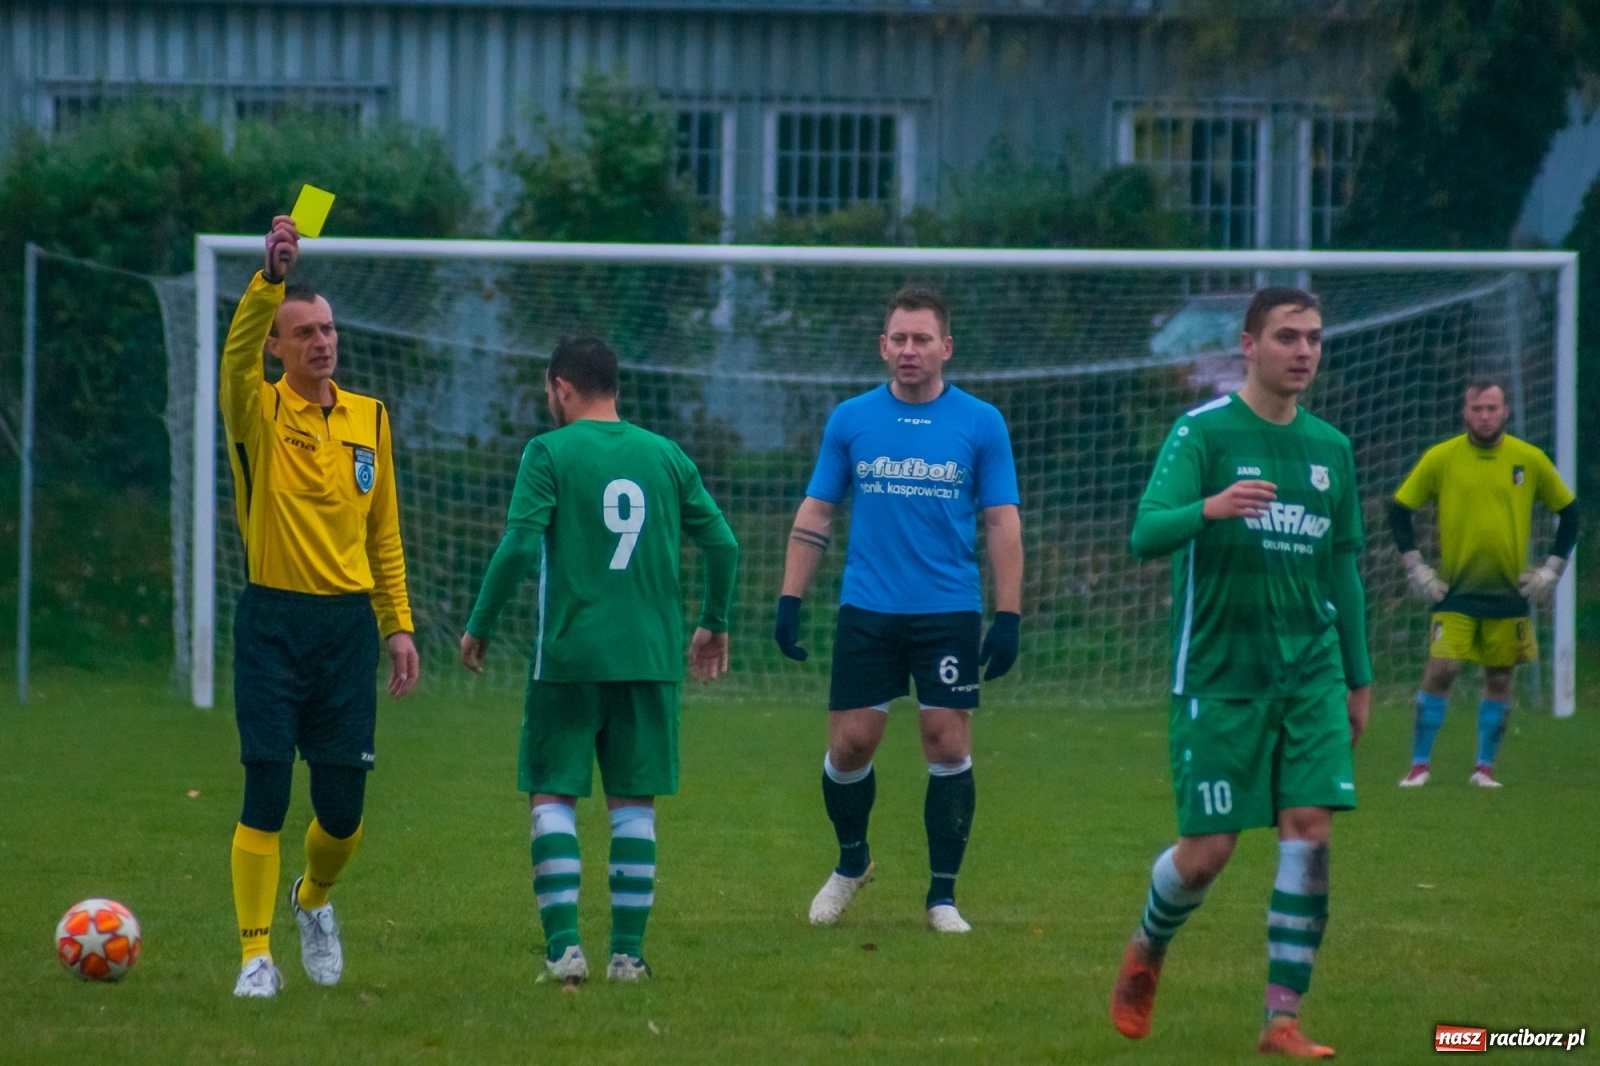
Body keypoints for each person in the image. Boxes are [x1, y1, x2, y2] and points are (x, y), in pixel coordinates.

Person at [1110, 288, 1370, 1059]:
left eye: (1314, 337)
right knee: (1208, 853)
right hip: (1219, 677)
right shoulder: (1203, 432)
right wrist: (1212, 508)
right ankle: (1148, 945)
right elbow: (1145, 534)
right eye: (1287, 336)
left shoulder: (1331, 448)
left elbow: (1344, 569)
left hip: (1311, 674)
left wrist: (1358, 679)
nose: (1304, 350)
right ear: (1249, 345)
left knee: (1310, 830)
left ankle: (1281, 1019)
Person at [460, 336, 738, 984]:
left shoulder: (548, 452)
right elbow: (722, 544)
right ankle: (627, 957)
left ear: (561, 386)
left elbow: (519, 546)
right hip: (649, 657)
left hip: (569, 656)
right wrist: (713, 622)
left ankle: (564, 950)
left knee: (552, 792)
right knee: (633, 804)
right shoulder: (665, 455)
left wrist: (480, 625)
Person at [774, 284, 1023, 935]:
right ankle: (852, 861)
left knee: (947, 741)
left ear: (947, 347)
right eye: (899, 338)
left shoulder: (981, 423)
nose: (910, 349)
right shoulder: (851, 419)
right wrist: (789, 598)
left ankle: (942, 897)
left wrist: (1009, 615)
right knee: (850, 746)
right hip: (868, 609)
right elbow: (818, 511)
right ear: (883, 346)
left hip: (947, 611)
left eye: (922, 339)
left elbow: (1001, 521)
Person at [221, 216, 420, 998]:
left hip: (346, 630)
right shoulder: (258, 413)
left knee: (341, 817)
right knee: (267, 791)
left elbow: (384, 531)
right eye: (303, 332)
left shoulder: (370, 417)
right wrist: (269, 279)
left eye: (328, 328)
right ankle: (255, 957)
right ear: (276, 346)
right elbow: (235, 356)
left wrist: (398, 624)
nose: (321, 341)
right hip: (272, 623)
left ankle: (312, 899)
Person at [1390, 379, 1578, 789]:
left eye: (1492, 408)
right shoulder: (1441, 457)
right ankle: (1419, 765)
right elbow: (1399, 509)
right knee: (1442, 668)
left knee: (1500, 677)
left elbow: (1570, 512)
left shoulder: (1529, 459)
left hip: (1509, 593)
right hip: (1454, 591)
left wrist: (1552, 569)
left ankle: (1484, 769)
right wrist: (1415, 567)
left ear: (1505, 411)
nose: (1485, 416)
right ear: (1465, 412)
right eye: (1477, 408)